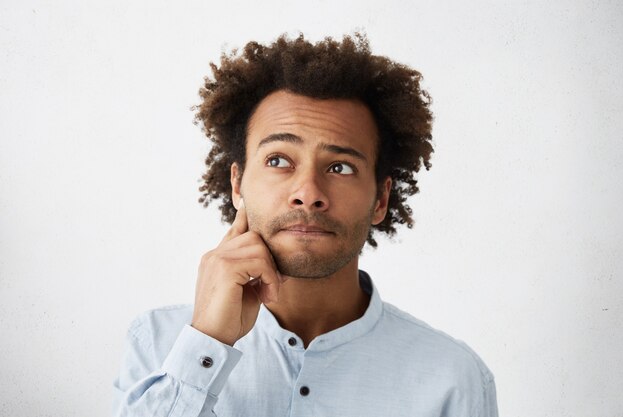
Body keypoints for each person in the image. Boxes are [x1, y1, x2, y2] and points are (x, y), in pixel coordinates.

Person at [112, 33, 498, 417]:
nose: (308, 193)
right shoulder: (159, 345)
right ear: (237, 183)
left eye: (340, 167)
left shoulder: (453, 380)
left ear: (380, 199)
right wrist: (207, 343)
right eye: (279, 160)